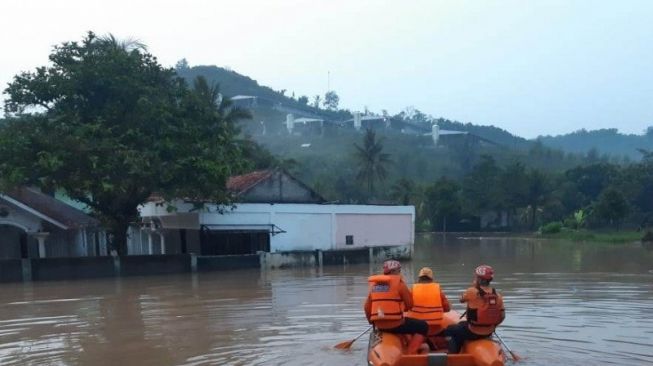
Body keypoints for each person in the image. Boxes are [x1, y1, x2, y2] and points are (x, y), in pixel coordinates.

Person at [364, 260, 429, 354]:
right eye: (399, 270)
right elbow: (410, 305)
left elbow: (366, 307)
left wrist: (371, 322)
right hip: (396, 324)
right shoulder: (399, 284)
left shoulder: (374, 286)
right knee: (423, 326)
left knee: (406, 323)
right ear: (394, 271)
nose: (400, 272)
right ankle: (411, 352)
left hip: (379, 325)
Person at [443, 264, 505, 354]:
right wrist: (492, 326)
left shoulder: (472, 291)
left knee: (449, 329)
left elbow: (461, 300)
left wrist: (474, 287)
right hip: (488, 332)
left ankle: (453, 353)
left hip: (473, 331)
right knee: (461, 324)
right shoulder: (498, 296)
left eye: (476, 277)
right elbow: (502, 316)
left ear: (479, 279)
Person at [406, 267, 451, 336]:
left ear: (419, 279)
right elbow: (447, 309)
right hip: (435, 329)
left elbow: (405, 308)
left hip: (417, 328)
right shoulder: (437, 289)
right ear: (431, 279)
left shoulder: (413, 289)